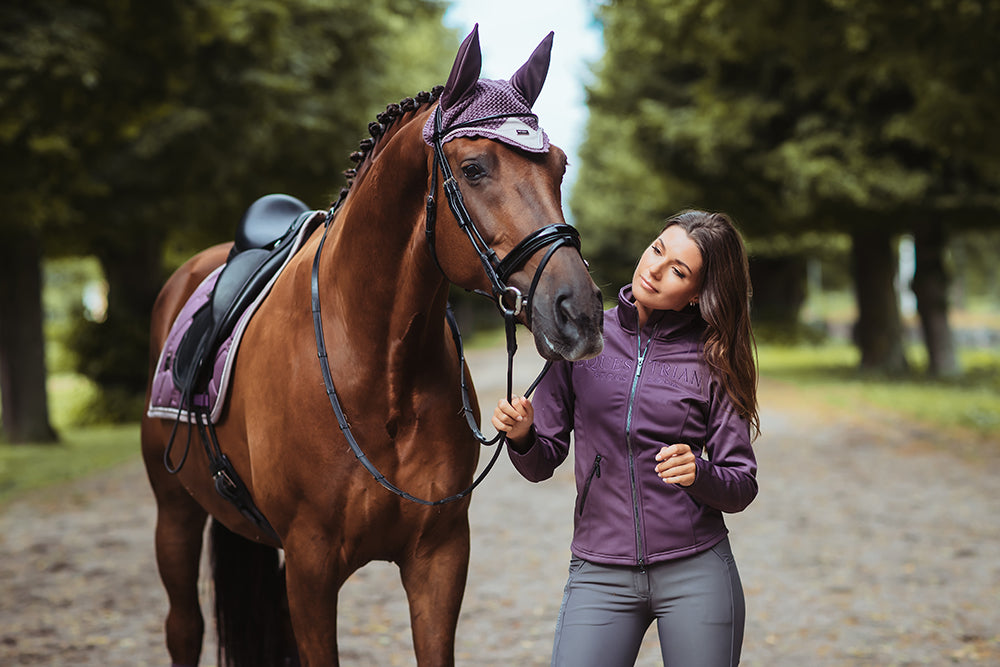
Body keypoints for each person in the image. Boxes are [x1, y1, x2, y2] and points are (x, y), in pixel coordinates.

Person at [492, 209, 760, 667]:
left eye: (678, 270)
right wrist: (522, 436)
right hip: (600, 571)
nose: (654, 269)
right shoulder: (583, 333)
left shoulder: (713, 359)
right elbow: (542, 461)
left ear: (697, 295)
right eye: (657, 249)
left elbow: (741, 483)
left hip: (695, 569)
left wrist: (700, 473)